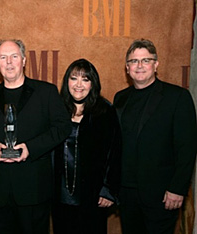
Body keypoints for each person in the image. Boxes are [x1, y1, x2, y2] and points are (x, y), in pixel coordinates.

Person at [0, 39, 71, 234]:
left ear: (24, 60)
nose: (9, 62)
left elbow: (63, 127)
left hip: (34, 191)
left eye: (14, 56)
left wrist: (32, 148)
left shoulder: (46, 92)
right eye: (3, 57)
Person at [114, 39, 197, 234]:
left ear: (156, 64)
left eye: (146, 60)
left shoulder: (177, 97)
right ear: (127, 68)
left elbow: (187, 147)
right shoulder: (120, 97)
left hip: (162, 194)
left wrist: (178, 188)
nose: (140, 66)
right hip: (127, 193)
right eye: (134, 61)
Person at [52, 59, 121, 234]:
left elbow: (115, 152)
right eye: (74, 78)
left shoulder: (105, 112)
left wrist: (108, 189)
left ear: (93, 84)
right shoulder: (56, 110)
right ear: (67, 81)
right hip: (59, 193)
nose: (79, 85)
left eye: (85, 79)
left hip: (93, 194)